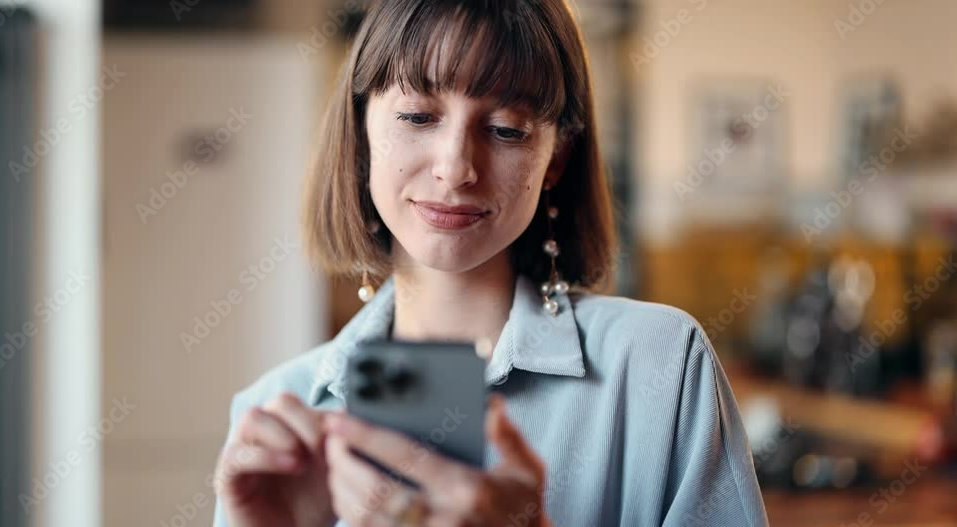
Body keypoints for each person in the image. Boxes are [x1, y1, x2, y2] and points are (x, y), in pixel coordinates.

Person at [212, 0, 768, 525]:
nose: (455, 168)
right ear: (361, 131)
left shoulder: (660, 367)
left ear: (556, 158)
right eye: (416, 116)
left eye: (505, 129)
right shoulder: (271, 413)